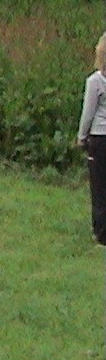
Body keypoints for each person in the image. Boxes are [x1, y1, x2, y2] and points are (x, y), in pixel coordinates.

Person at [76, 32, 106, 246]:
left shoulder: (95, 81)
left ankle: (101, 232)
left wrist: (81, 137)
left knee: (98, 186)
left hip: (98, 138)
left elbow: (88, 113)